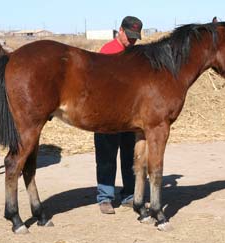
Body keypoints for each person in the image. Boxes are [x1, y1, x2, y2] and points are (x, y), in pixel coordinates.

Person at [95, 16, 143, 214]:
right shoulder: (107, 52)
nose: (132, 41)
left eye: (135, 38)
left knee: (129, 157)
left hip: (130, 116)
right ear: (120, 31)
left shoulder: (136, 55)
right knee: (106, 156)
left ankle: (129, 195)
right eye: (129, 37)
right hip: (107, 115)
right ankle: (105, 197)